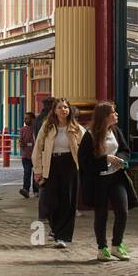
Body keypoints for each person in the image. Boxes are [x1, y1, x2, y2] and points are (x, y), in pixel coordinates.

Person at [79, 101, 135, 262]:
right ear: (104, 116)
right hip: (98, 180)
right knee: (101, 214)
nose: (116, 115)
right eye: (113, 112)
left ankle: (117, 246)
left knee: (122, 211)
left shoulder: (116, 131)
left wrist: (121, 160)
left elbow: (125, 150)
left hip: (116, 177)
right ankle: (101, 248)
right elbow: (84, 160)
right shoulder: (90, 135)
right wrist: (106, 159)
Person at [31, 98, 83, 249]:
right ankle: (55, 229)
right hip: (51, 165)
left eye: (66, 107)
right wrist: (38, 170)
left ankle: (63, 236)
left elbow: (86, 145)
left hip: (70, 165)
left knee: (68, 201)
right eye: (60, 107)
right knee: (50, 202)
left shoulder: (75, 127)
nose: (63, 110)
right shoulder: (47, 127)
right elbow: (38, 149)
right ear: (54, 110)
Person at [18, 112, 38, 198]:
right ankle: (25, 189)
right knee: (27, 172)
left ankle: (36, 190)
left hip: (36, 155)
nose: (25, 120)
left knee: (36, 173)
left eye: (27, 118)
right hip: (26, 155)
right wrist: (21, 143)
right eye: (24, 118)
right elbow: (21, 141)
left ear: (33, 119)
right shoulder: (22, 130)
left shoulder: (37, 129)